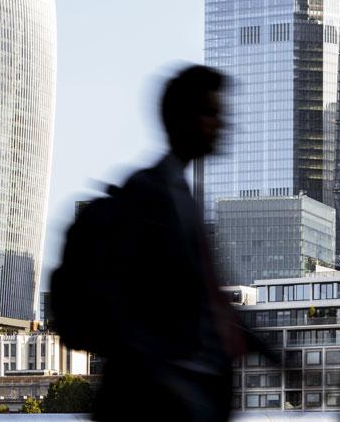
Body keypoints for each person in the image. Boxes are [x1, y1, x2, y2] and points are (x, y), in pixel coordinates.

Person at [93, 65, 264, 421]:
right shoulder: (149, 195)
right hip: (160, 401)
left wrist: (275, 355)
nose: (222, 124)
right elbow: (128, 301)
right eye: (211, 113)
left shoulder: (183, 197)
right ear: (182, 120)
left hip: (186, 395)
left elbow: (213, 300)